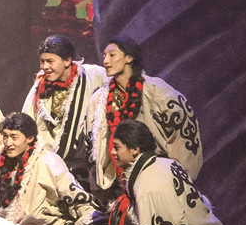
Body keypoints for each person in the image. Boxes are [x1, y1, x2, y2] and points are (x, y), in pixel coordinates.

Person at [87, 37, 203, 195]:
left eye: (112, 55)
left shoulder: (156, 90)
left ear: (129, 57)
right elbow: (92, 143)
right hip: (120, 183)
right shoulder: (99, 100)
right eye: (104, 56)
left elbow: (183, 126)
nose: (105, 61)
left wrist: (179, 175)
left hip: (158, 178)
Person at [22, 35, 107, 188]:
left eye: (50, 61)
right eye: (42, 61)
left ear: (67, 61)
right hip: (52, 165)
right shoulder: (40, 85)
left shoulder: (92, 75)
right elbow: (27, 119)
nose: (45, 67)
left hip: (85, 167)